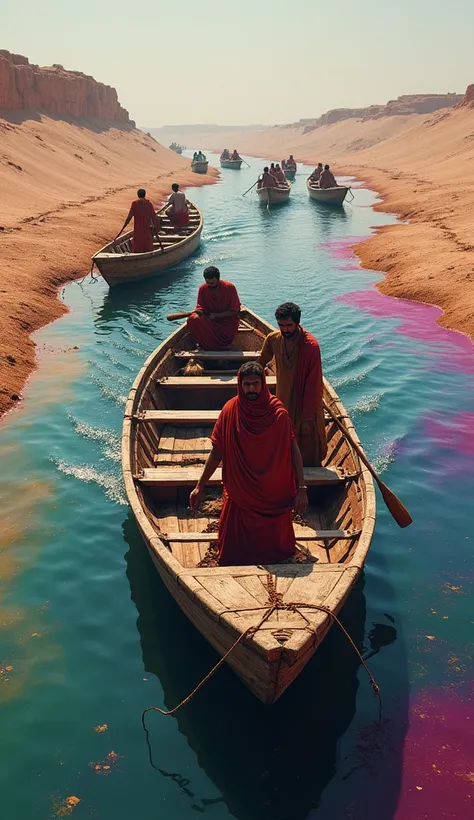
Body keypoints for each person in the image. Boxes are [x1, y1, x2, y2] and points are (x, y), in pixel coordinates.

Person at [189, 362, 308, 566]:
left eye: (255, 384)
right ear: (239, 385)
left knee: (278, 547)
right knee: (232, 552)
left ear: (262, 384)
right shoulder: (230, 411)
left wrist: (302, 487)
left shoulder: (278, 414)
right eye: (246, 385)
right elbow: (217, 450)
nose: (251, 389)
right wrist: (200, 485)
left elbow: (293, 449)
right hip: (241, 491)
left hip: (273, 492)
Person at [258, 302, 327, 466]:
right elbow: (260, 362)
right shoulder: (273, 339)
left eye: (289, 325)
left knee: (308, 448)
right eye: (281, 325)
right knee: (283, 445)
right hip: (283, 402)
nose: (285, 329)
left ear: (297, 323)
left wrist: (307, 417)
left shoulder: (310, 347)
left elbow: (314, 383)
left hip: (305, 405)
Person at [186, 266, 241, 349]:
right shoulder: (203, 288)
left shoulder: (230, 287)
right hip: (210, 322)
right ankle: (207, 345)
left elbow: (234, 311)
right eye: (207, 283)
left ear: (218, 279)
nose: (209, 285)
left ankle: (217, 346)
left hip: (227, 324)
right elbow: (200, 306)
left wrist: (216, 315)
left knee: (226, 332)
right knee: (192, 319)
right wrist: (199, 311)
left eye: (212, 283)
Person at [115, 188, 161, 253]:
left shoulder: (135, 203)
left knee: (138, 244)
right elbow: (154, 217)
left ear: (138, 195)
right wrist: (156, 228)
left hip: (137, 230)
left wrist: (126, 223)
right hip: (146, 230)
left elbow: (129, 216)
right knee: (147, 245)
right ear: (144, 195)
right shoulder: (149, 204)